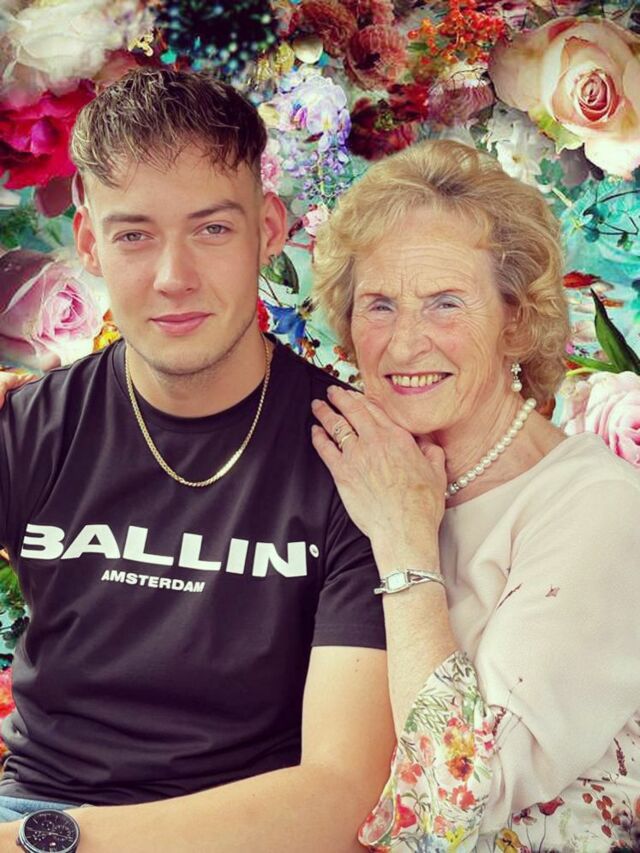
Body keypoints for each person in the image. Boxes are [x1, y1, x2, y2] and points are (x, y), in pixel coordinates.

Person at [0, 67, 396, 852]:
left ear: (269, 229)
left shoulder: (354, 455)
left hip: (243, 831)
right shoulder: (30, 425)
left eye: (212, 229)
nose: (173, 278)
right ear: (89, 242)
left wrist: (54, 841)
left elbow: (341, 796)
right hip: (36, 805)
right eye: (134, 235)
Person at [310, 140, 640, 850]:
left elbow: (457, 800)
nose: (404, 344)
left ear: (515, 321)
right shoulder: (363, 468)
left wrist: (405, 543)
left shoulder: (598, 506)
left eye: (445, 304)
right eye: (379, 305)